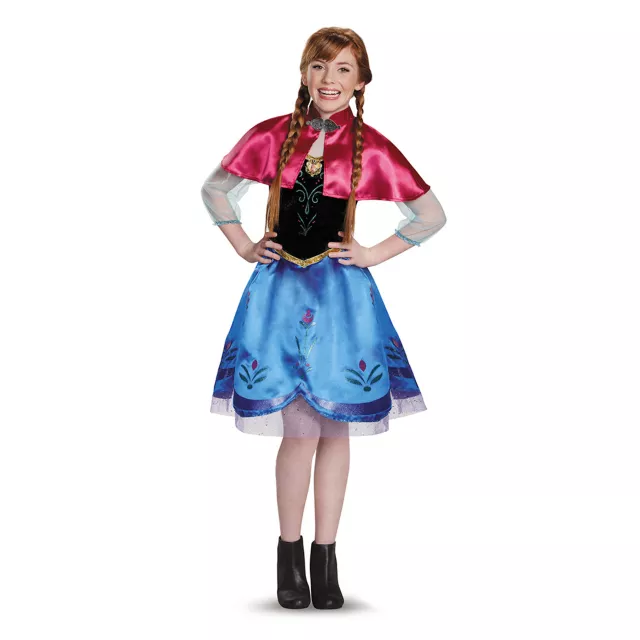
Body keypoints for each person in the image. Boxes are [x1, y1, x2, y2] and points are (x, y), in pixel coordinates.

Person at [200, 27, 446, 610]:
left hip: (341, 298)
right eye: (319, 66)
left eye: (343, 69)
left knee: (335, 427)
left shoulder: (372, 148)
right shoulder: (272, 136)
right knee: (300, 431)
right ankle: (288, 554)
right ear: (304, 72)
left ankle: (326, 555)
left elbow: (430, 215)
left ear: (360, 82)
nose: (329, 79)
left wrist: (373, 253)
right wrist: (243, 245)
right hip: (280, 293)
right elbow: (216, 190)